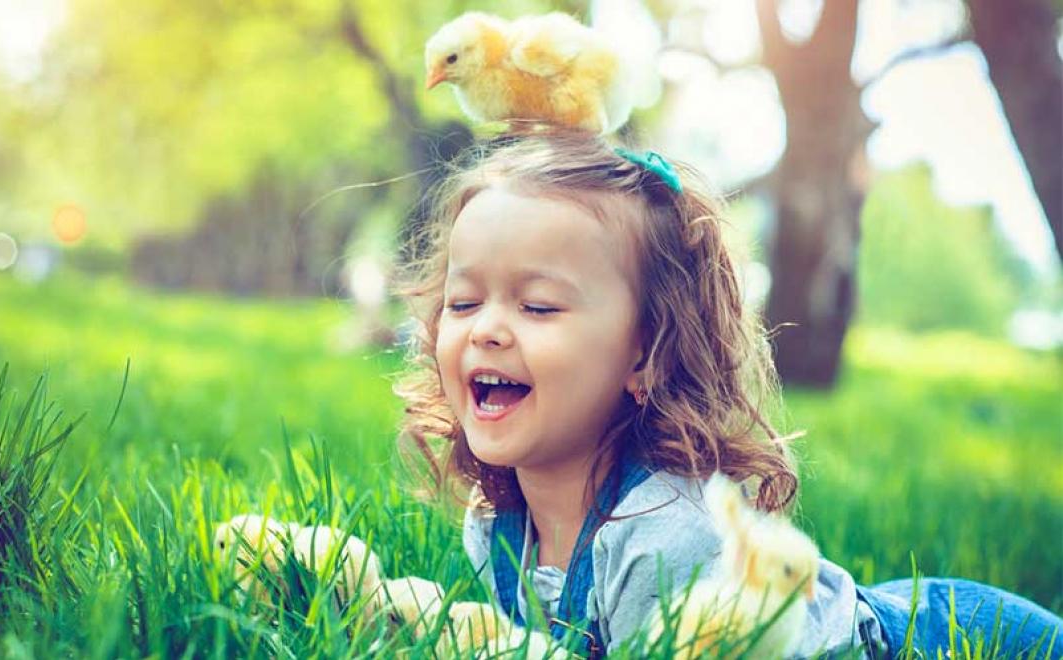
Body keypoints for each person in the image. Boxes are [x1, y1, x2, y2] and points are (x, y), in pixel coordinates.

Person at [393, 130, 1061, 657]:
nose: (486, 329)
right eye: (463, 302)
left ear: (644, 355)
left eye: (538, 306)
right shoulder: (495, 525)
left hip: (951, 639)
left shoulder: (665, 537)